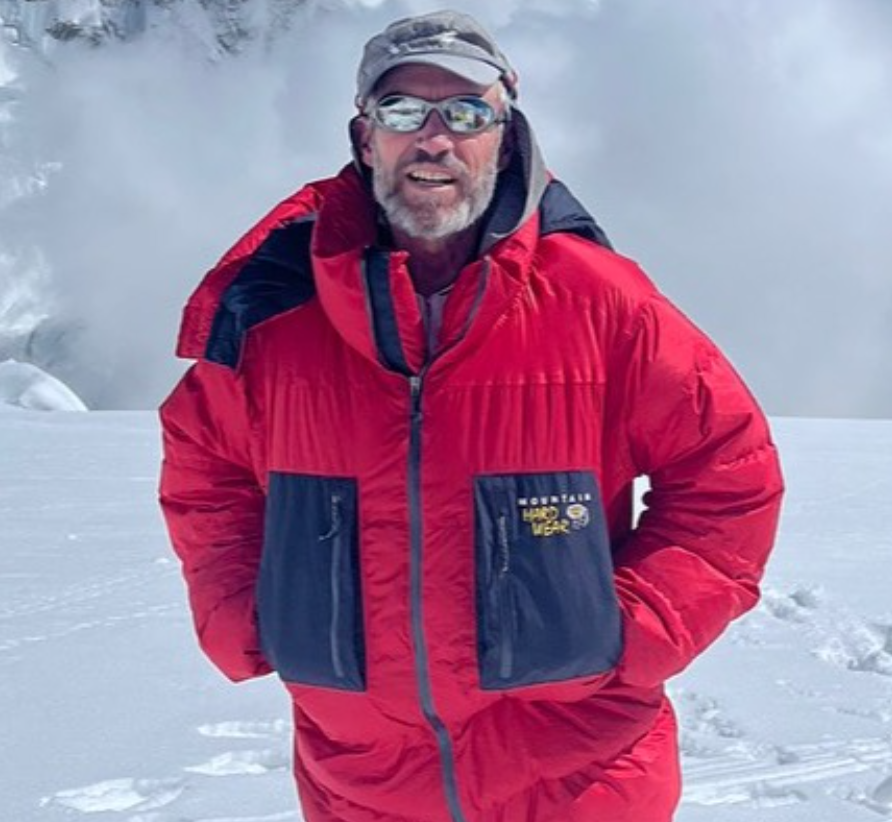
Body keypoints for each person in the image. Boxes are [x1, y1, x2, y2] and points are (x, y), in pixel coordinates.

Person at [159, 9, 784, 822]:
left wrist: (629, 628)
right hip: (361, 781)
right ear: (364, 138)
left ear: (505, 133)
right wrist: (250, 611)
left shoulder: (602, 303)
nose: (434, 138)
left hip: (584, 778)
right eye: (402, 112)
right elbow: (205, 469)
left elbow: (729, 472)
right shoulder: (277, 319)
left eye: (465, 112)